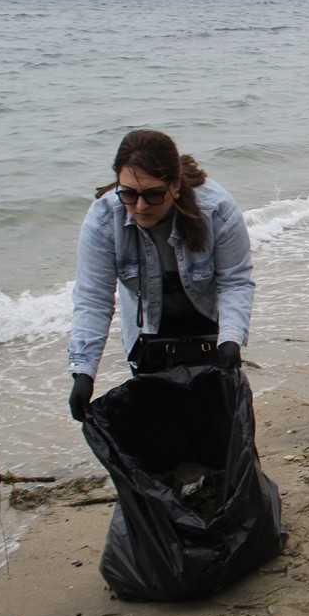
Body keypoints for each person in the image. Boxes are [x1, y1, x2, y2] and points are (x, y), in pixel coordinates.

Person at [66, 129, 255, 421]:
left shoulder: (216, 209)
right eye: (129, 193)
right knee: (161, 422)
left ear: (175, 184)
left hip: (207, 323)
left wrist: (230, 339)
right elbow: (93, 298)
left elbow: (235, 281)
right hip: (148, 333)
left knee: (215, 419)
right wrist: (84, 372)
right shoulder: (104, 219)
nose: (140, 206)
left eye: (154, 194)